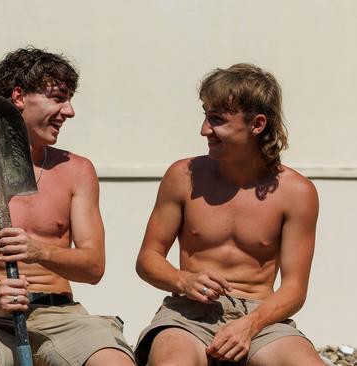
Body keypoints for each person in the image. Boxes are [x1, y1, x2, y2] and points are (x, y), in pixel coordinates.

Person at [0, 47, 135, 366]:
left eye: (69, 100)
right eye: (58, 98)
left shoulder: (77, 171)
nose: (69, 111)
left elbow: (93, 267)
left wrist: (39, 251)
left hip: (62, 316)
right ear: (19, 96)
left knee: (114, 362)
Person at [134, 64, 324, 366]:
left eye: (217, 120)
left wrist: (250, 325)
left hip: (261, 316)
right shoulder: (183, 176)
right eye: (206, 116)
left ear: (257, 124)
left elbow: (294, 289)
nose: (204, 129)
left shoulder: (297, 192)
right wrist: (182, 280)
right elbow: (147, 259)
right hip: (187, 314)